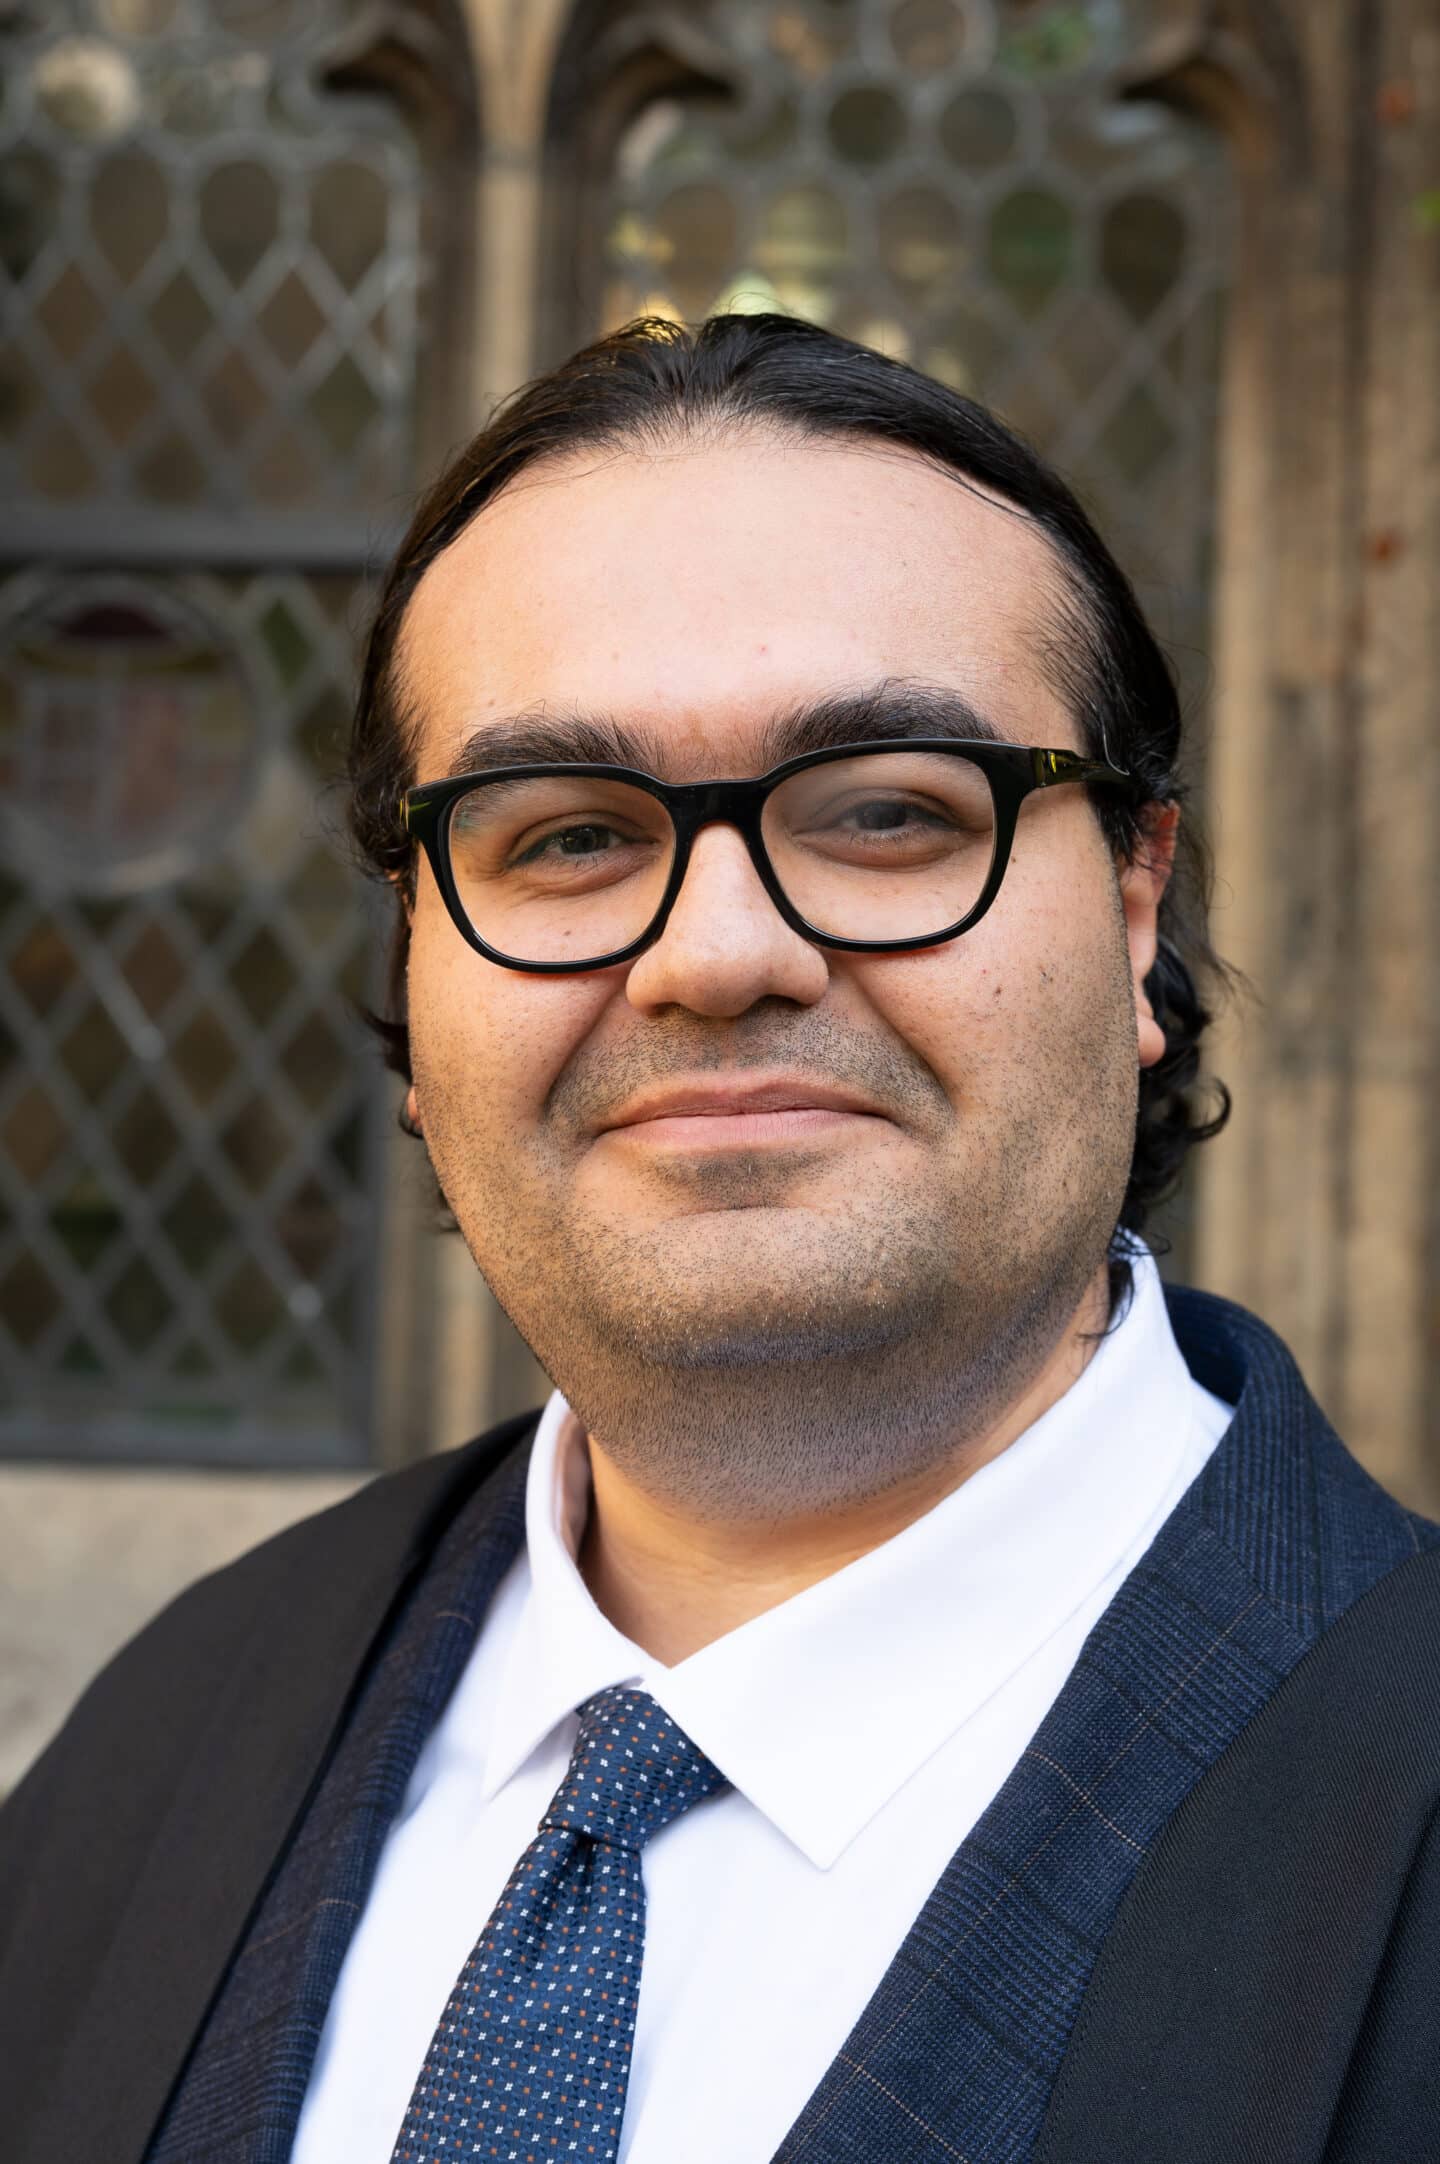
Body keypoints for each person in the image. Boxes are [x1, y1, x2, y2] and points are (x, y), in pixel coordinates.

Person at [2, 314, 1438, 2164]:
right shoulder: (167, 1742)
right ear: (417, 969)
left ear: (1135, 902)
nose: (717, 954)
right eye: (565, 838)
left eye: (888, 812)